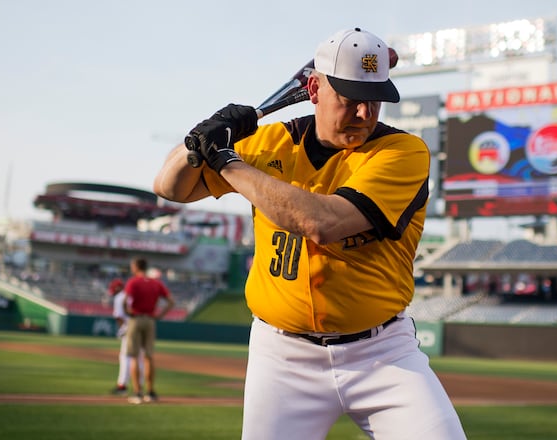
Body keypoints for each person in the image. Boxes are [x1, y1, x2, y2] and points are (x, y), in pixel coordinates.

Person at [153, 27, 466, 439]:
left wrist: (228, 159)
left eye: (375, 101)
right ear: (314, 89)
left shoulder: (403, 153)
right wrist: (201, 138)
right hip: (282, 356)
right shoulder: (270, 143)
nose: (364, 114)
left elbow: (322, 223)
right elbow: (170, 187)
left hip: (382, 355)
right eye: (351, 100)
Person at [123, 257, 175, 404]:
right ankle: (151, 392)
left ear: (135, 267)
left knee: (134, 357)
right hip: (150, 320)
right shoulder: (155, 283)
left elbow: (124, 300)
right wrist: (160, 315)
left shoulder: (133, 282)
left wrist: (128, 311)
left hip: (136, 318)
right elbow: (171, 301)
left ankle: (138, 392)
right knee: (149, 357)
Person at [108, 278, 143, 395]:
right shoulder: (132, 294)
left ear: (118, 288)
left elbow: (119, 317)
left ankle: (122, 385)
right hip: (141, 325)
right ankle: (140, 386)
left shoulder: (119, 297)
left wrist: (122, 329)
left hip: (129, 327)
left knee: (125, 356)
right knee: (140, 358)